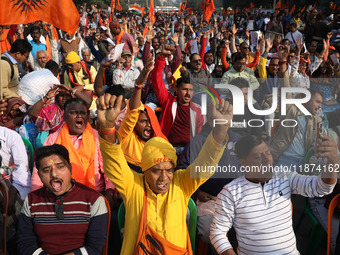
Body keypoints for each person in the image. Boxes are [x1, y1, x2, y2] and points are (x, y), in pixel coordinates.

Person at [97, 86, 232, 254]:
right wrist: (108, 128)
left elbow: (205, 164)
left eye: (169, 170)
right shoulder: (133, 185)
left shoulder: (181, 183)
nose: (164, 177)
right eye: (156, 170)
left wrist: (220, 129)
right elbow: (113, 163)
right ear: (144, 170)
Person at [210, 134, 338, 255]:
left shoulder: (283, 176)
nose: (267, 159)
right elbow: (217, 232)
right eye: (258, 156)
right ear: (243, 162)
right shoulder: (231, 192)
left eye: (268, 153)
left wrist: (332, 161)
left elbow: (322, 188)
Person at [17, 144, 108, 254]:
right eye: (46, 170)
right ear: (39, 175)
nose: (54, 174)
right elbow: (25, 244)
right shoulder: (31, 200)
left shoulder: (94, 200)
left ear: (70, 168)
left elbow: (95, 248)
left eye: (60, 167)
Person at [30, 98, 115, 203]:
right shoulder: (53, 139)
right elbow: (39, 170)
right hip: (61, 195)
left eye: (82, 113)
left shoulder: (97, 138)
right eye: (73, 113)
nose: (79, 116)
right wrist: (36, 197)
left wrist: (110, 191)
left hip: (95, 193)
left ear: (87, 116)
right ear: (65, 116)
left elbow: (108, 167)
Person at [152, 45, 205, 148]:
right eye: (185, 89)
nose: (188, 93)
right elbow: (156, 79)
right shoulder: (168, 102)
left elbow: (200, 137)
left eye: (191, 90)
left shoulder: (198, 110)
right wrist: (162, 57)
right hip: (166, 148)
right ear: (176, 90)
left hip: (189, 151)